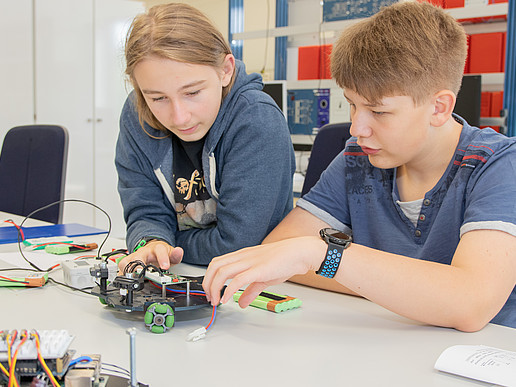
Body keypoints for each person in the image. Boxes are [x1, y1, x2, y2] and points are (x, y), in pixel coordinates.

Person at [203, 1, 516, 332]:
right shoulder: (358, 158)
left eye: (378, 112)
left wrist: (324, 256)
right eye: (352, 105)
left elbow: (470, 303)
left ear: (439, 107)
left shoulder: (498, 165)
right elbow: (279, 252)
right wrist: (411, 288)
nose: (356, 128)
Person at [115, 3, 295, 270]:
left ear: (225, 70)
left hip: (256, 281)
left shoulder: (257, 119)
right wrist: (151, 241)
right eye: (158, 98)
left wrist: (167, 244)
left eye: (192, 92)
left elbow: (239, 243)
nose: (179, 117)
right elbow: (144, 211)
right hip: (186, 272)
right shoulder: (137, 114)